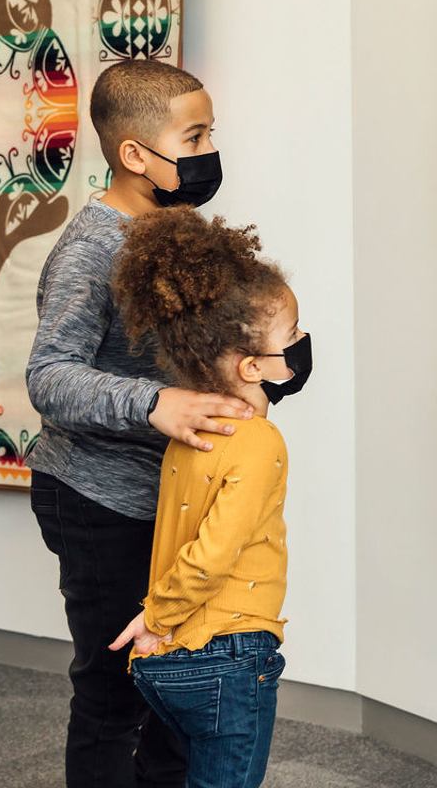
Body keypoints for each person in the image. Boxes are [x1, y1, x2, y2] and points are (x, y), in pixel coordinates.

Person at [27, 59, 254, 787]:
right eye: (195, 137)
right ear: (135, 155)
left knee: (180, 684)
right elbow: (49, 376)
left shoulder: (179, 234)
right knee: (115, 692)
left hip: (177, 498)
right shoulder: (91, 249)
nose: (209, 151)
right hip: (97, 501)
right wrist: (158, 405)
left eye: (210, 133)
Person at [106, 207, 309, 788]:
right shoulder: (260, 441)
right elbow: (214, 551)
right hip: (229, 655)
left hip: (165, 657)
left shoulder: (188, 433)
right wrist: (158, 615)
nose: (300, 345)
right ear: (252, 365)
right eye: (291, 337)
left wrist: (158, 629)